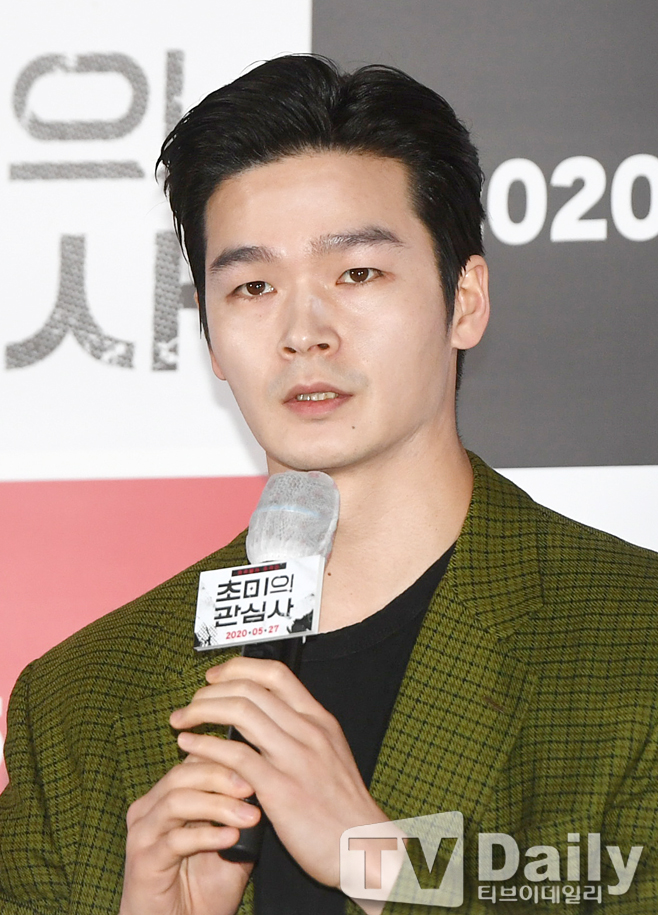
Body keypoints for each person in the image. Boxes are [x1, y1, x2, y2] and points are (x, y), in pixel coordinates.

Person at [1, 54, 657, 915]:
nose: (303, 331)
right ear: (211, 339)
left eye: (356, 274)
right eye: (253, 286)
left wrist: (388, 865)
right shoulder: (75, 705)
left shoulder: (633, 640)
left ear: (464, 300)